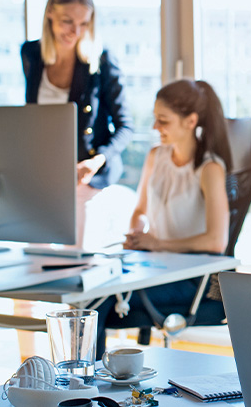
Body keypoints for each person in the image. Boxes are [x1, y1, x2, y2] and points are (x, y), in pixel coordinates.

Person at [94, 78, 232, 356]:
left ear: (190, 121)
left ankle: (82, 384)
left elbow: (217, 241)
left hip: (196, 279)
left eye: (163, 121)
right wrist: (136, 236)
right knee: (91, 288)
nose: (155, 127)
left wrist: (158, 244)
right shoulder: (155, 156)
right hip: (155, 268)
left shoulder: (209, 169)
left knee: (97, 302)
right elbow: (139, 211)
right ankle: (82, 381)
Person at [21, 0, 132, 248]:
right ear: (50, 14)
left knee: (77, 259)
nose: (76, 31)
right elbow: (32, 118)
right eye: (67, 21)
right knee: (35, 256)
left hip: (87, 173)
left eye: (84, 24)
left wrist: (97, 161)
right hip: (45, 172)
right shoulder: (32, 54)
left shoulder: (101, 60)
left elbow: (125, 126)